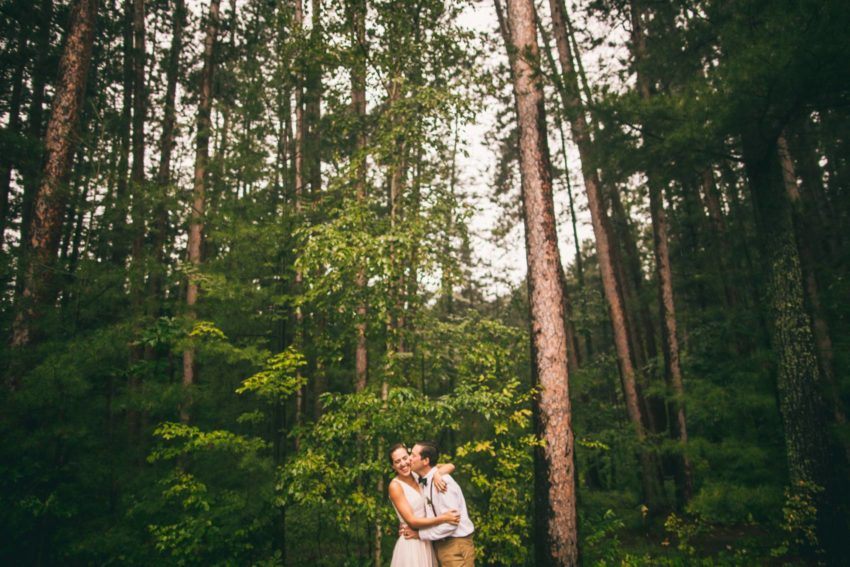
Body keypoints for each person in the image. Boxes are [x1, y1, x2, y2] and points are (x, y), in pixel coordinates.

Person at [403, 441, 475, 567]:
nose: (409, 458)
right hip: (439, 545)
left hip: (455, 545)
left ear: (425, 461)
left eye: (413, 456)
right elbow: (447, 465)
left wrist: (419, 534)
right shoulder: (425, 477)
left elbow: (451, 524)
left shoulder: (443, 482)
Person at [388, 444, 461, 567]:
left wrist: (438, 474)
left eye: (405, 458)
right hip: (412, 542)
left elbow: (451, 466)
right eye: (397, 461)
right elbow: (412, 521)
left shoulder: (418, 475)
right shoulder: (395, 486)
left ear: (410, 458)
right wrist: (443, 518)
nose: (403, 464)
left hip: (427, 540)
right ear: (393, 466)